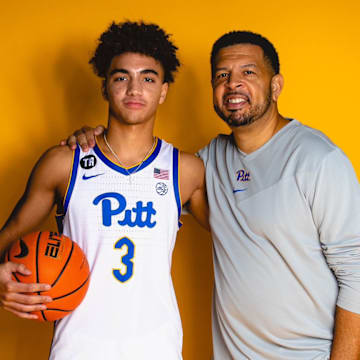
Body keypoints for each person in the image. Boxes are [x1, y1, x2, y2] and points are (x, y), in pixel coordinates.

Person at [65, 31, 360, 359]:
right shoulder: (206, 164)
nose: (233, 84)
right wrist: (93, 140)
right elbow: (139, 176)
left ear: (275, 85)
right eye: (222, 75)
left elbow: (357, 271)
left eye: (248, 72)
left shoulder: (317, 159)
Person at [0, 21, 208, 359]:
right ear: (105, 87)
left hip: (157, 348)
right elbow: (10, 233)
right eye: (121, 77)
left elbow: (241, 234)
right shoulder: (63, 162)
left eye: (149, 78)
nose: (135, 89)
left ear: (164, 90)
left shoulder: (186, 171)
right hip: (76, 348)